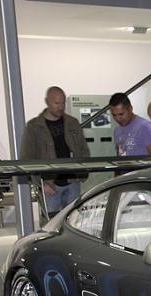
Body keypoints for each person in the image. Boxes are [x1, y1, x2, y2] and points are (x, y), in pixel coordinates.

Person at [20, 86, 90, 216]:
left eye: (63, 103)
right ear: (47, 102)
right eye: (57, 103)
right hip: (49, 186)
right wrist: (41, 183)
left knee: (74, 220)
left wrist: (81, 174)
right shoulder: (34, 127)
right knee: (52, 223)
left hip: (72, 182)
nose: (61, 107)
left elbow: (83, 150)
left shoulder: (73, 123)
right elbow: (27, 158)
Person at [109, 92, 151, 156]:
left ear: (130, 109)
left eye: (121, 114)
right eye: (114, 115)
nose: (118, 119)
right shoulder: (117, 131)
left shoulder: (146, 127)